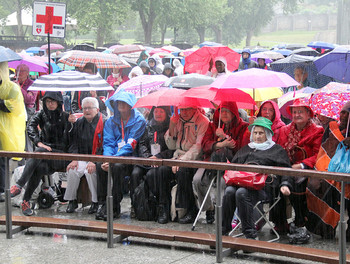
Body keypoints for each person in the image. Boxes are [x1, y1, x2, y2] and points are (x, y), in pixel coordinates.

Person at [222, 117, 291, 238]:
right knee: (229, 191)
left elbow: (285, 170)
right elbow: (233, 166)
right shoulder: (246, 148)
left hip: (265, 187)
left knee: (241, 193)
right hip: (243, 183)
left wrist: (285, 184)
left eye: (261, 133)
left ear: (268, 134)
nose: (258, 136)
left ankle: (250, 234)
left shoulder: (277, 150)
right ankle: (223, 231)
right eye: (255, 133)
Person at [10, 92, 74, 216]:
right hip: (44, 156)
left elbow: (73, 138)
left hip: (62, 155)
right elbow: (30, 126)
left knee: (39, 152)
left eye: (53, 101)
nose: (50, 104)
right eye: (47, 101)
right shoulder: (41, 114)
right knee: (39, 168)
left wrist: (72, 123)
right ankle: (25, 201)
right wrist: (39, 142)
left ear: (58, 102)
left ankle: (19, 185)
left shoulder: (67, 116)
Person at [193, 101, 250, 224]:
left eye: (227, 111)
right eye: (221, 111)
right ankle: (209, 208)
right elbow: (205, 145)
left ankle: (225, 216)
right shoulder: (213, 125)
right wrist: (221, 144)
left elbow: (241, 148)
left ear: (234, 113)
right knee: (197, 180)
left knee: (223, 184)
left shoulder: (243, 126)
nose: (224, 114)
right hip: (210, 161)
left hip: (231, 164)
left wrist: (224, 136)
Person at [95, 90, 146, 220]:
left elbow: (131, 144)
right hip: (114, 157)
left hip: (132, 158)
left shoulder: (139, 120)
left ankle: (113, 206)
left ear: (130, 105)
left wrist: (113, 159)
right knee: (99, 166)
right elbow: (108, 142)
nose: (121, 105)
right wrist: (108, 159)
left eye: (124, 102)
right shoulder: (111, 121)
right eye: (119, 102)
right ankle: (103, 203)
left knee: (117, 167)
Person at [155, 106, 209, 224]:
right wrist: (172, 126)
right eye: (182, 109)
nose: (184, 113)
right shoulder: (178, 120)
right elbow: (171, 146)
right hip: (177, 156)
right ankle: (164, 208)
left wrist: (181, 161)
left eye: (187, 109)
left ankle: (189, 209)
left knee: (183, 171)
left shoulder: (203, 122)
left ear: (195, 109)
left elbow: (198, 148)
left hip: (195, 159)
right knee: (162, 170)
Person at [306, 101, 350, 239]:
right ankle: (322, 228)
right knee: (316, 185)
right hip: (330, 170)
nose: (342, 115)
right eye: (342, 111)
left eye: (346, 112)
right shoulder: (332, 128)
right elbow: (324, 153)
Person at [278, 98, 324, 230]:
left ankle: (301, 218)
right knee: (274, 183)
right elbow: (280, 150)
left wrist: (302, 165)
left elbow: (318, 155)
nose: (297, 114)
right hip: (286, 166)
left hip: (307, 169)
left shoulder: (317, 131)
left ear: (308, 114)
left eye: (300, 112)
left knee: (298, 183)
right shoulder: (284, 130)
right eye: (294, 112)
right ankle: (280, 222)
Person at [64, 97, 107, 214]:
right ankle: (71, 200)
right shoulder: (79, 122)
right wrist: (75, 158)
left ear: (97, 109)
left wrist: (94, 160)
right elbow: (74, 143)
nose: (87, 111)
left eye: (90, 108)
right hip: (82, 157)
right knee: (73, 170)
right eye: (85, 108)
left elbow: (105, 144)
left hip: (98, 157)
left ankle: (95, 201)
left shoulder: (104, 122)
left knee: (90, 171)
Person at [130, 106, 173, 217]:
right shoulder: (148, 126)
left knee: (152, 174)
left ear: (166, 113)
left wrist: (158, 157)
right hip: (147, 160)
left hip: (163, 160)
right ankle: (136, 204)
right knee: (135, 174)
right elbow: (142, 144)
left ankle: (160, 206)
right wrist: (148, 157)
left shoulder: (171, 126)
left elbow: (172, 148)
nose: (158, 114)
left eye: (161, 111)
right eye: (156, 111)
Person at [0, 61, 26, 202]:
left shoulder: (12, 88)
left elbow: (12, 106)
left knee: (3, 160)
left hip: (7, 131)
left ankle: (2, 190)